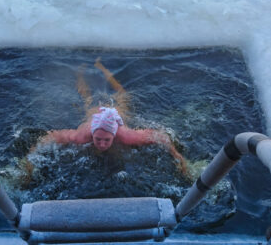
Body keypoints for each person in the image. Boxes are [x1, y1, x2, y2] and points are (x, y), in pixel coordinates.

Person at [38, 58, 189, 175]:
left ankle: (103, 68)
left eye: (106, 140)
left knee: (123, 95)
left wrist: (178, 157)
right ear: (92, 133)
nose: (102, 144)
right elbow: (51, 137)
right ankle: (80, 73)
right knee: (85, 96)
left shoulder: (126, 136)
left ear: (114, 134)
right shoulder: (82, 135)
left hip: (117, 109)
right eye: (98, 139)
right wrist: (28, 162)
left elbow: (161, 136)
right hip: (94, 111)